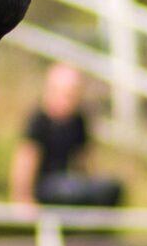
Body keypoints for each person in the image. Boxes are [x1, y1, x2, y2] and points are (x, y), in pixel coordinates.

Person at [11, 63, 124, 209]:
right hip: (49, 186)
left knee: (110, 188)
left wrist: (92, 185)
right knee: (69, 189)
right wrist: (23, 198)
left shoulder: (78, 120)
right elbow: (25, 161)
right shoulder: (38, 120)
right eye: (67, 94)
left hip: (72, 182)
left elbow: (85, 159)